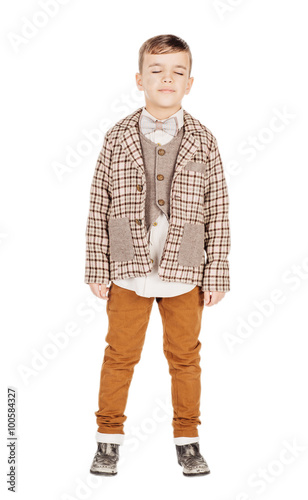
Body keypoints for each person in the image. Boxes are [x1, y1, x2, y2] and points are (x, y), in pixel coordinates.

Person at [84, 33, 231, 477]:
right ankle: (108, 440)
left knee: (185, 357)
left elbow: (219, 207)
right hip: (127, 267)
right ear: (139, 78)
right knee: (119, 353)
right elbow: (98, 202)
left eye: (177, 72)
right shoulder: (117, 137)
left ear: (190, 82)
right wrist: (96, 265)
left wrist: (217, 272)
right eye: (157, 70)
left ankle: (188, 440)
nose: (167, 79)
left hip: (186, 268)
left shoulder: (204, 140)